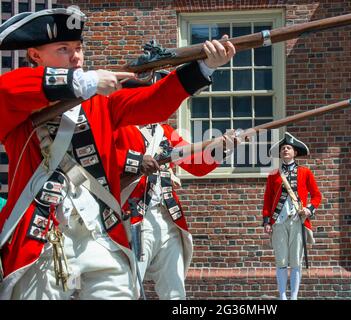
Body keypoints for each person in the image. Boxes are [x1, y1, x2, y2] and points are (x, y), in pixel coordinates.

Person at [0, 7, 235, 300]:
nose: (76, 57)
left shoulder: (100, 101)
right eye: (63, 49)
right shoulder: (20, 98)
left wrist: (203, 69)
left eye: (78, 48)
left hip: (101, 234)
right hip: (44, 239)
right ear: (35, 56)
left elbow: (154, 103)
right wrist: (79, 83)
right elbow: (6, 90)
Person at [115, 115, 235, 299]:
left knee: (175, 291)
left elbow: (195, 162)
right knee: (126, 289)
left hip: (167, 218)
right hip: (133, 217)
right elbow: (104, 156)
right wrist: (135, 161)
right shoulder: (120, 126)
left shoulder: (164, 132)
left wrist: (222, 148)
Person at [262, 132, 322, 300]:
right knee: (281, 261)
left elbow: (317, 196)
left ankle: (293, 297)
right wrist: (267, 221)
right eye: (283, 148)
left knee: (296, 261)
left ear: (295, 153)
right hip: (278, 222)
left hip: (297, 221)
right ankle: (282, 296)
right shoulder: (273, 175)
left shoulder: (305, 172)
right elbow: (267, 200)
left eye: (288, 148)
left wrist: (309, 209)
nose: (285, 150)